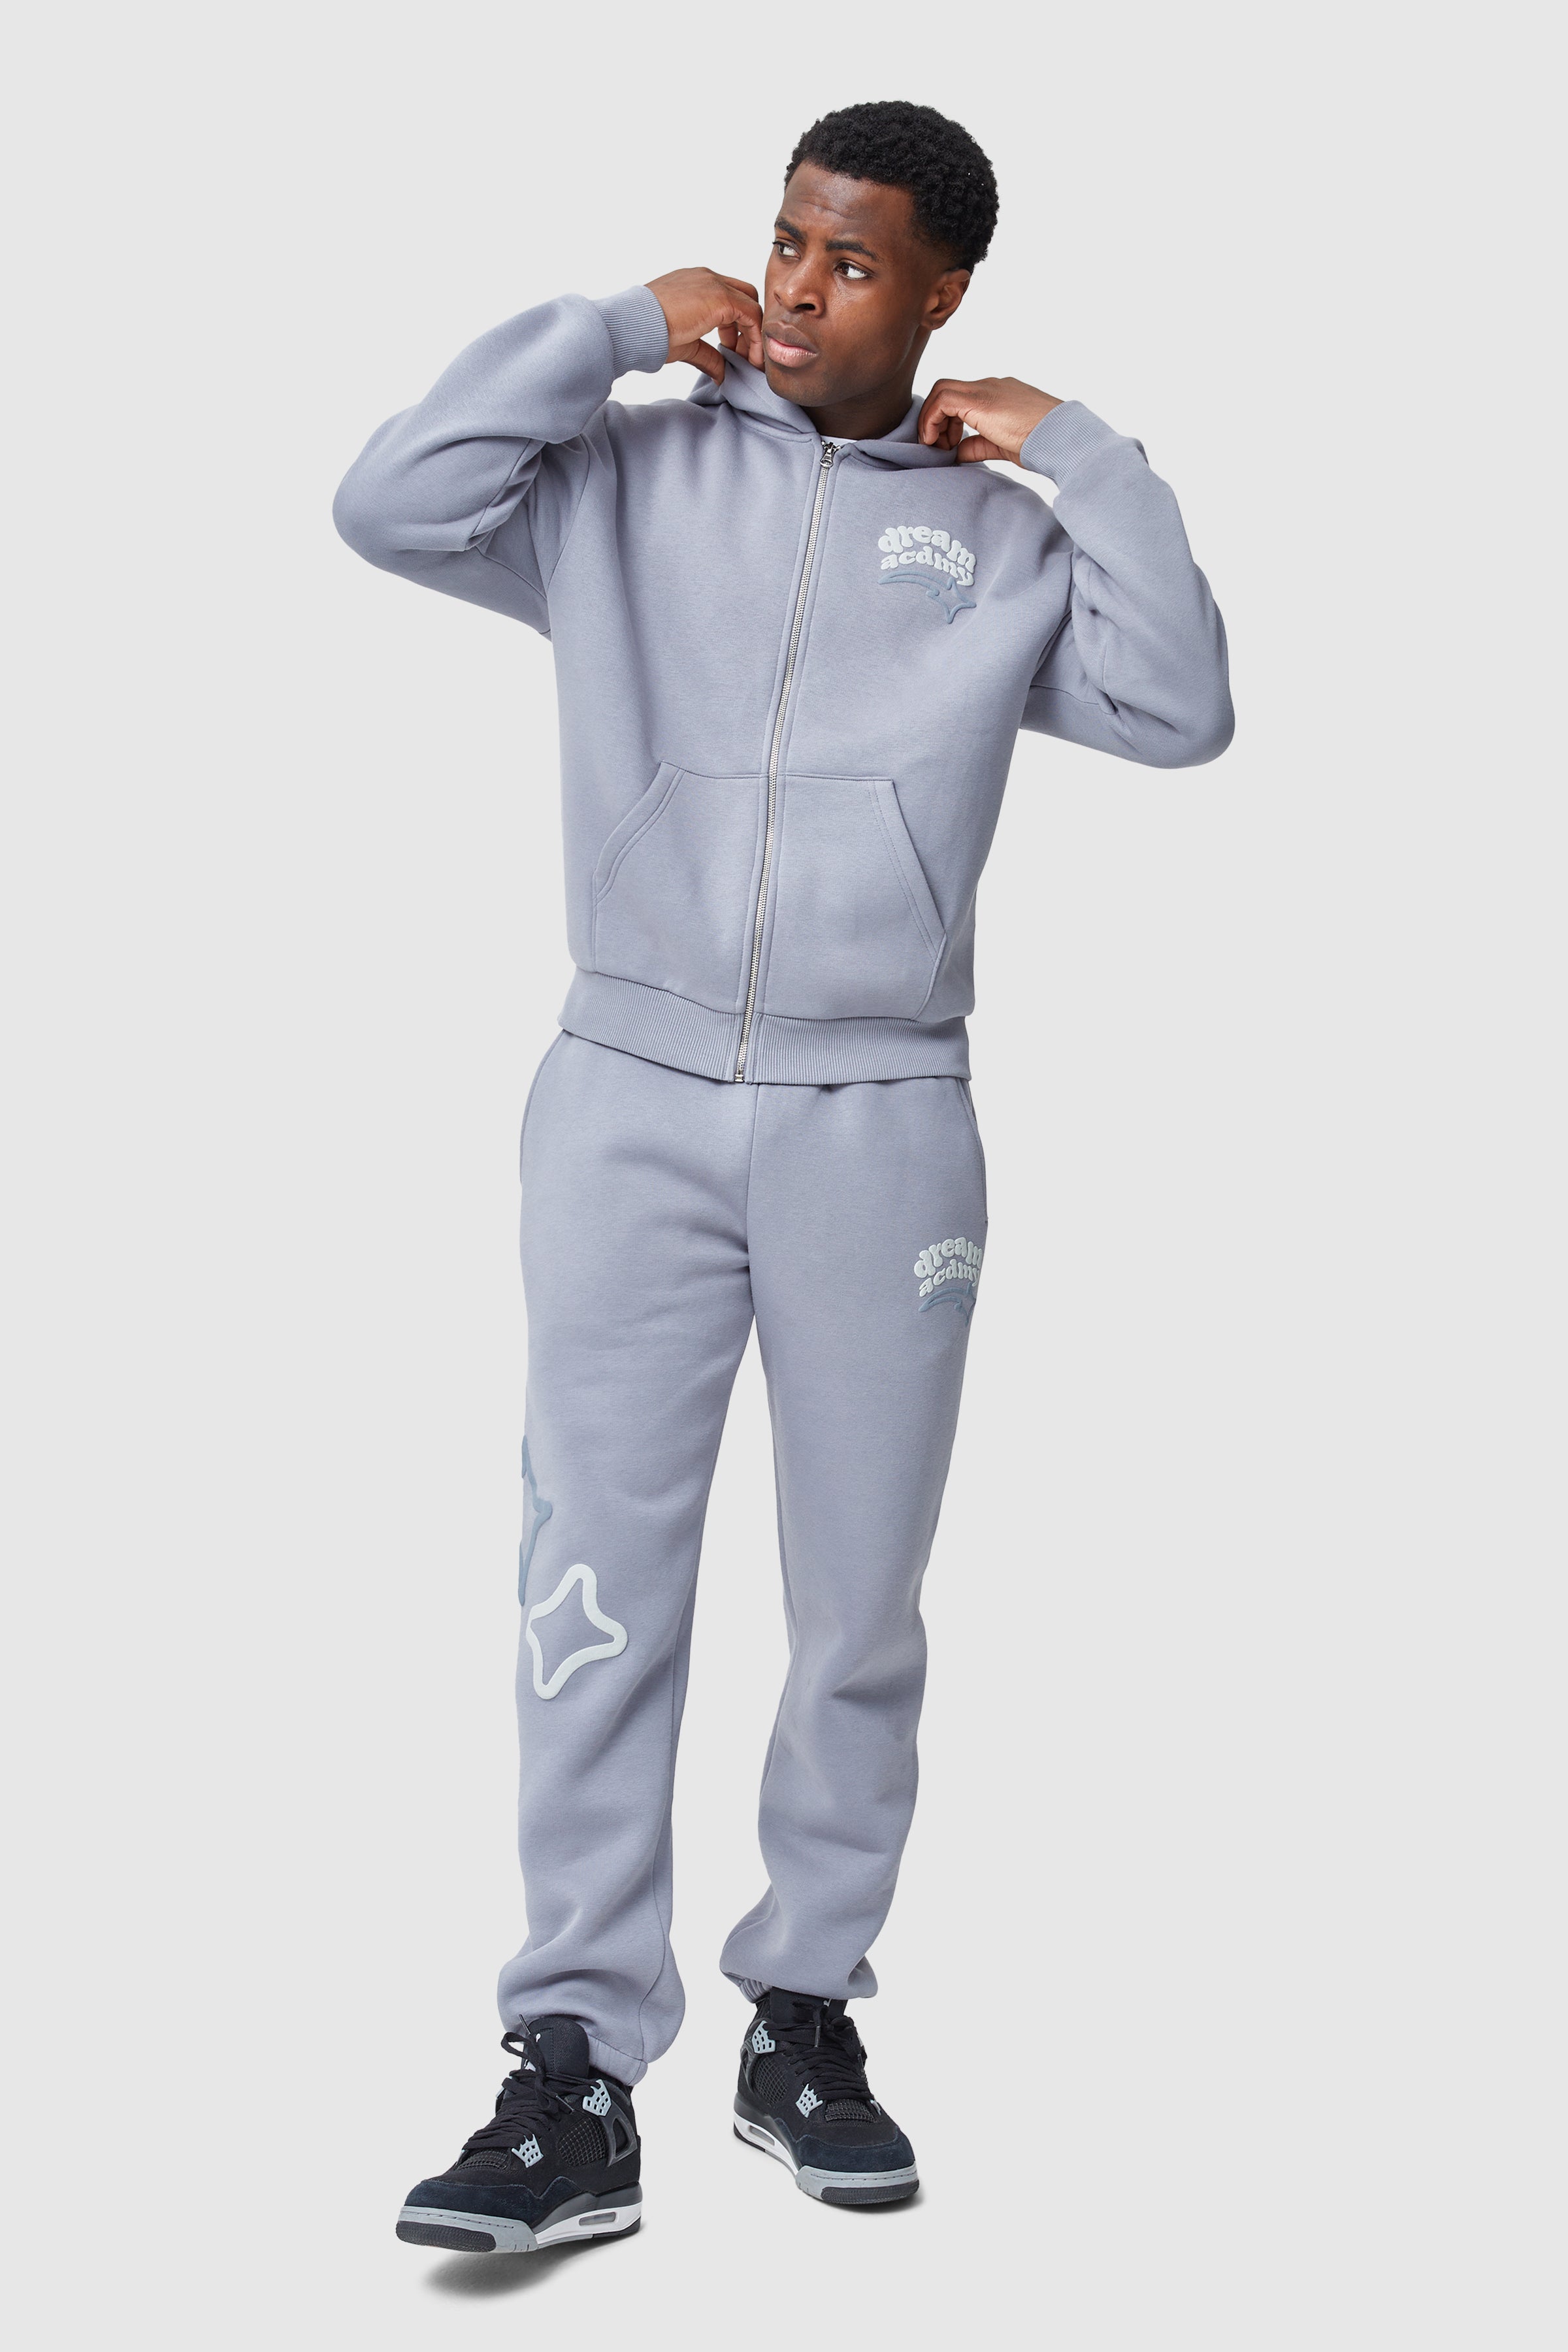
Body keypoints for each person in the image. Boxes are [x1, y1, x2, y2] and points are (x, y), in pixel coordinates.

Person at [335, 97, 1232, 2253]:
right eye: (784, 242)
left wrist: (1085, 457)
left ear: (942, 294)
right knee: (592, 1582)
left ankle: (806, 2013)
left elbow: (1184, 707)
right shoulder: (620, 480)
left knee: (856, 1600)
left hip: (880, 1120)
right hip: (624, 1097)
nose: (799, 287)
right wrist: (606, 329)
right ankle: (571, 2062)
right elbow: (388, 499)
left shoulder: (999, 541)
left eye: (853, 260)